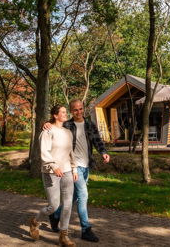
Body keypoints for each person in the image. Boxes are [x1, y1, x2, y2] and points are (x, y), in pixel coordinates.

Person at [44, 99, 110, 243]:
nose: (78, 112)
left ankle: (56, 216)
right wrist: (46, 123)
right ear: (71, 111)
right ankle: (86, 229)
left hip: (86, 166)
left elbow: (97, 140)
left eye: (80, 109)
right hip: (73, 166)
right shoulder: (67, 125)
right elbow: (54, 126)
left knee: (74, 198)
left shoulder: (89, 124)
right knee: (83, 195)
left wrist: (103, 152)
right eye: (75, 110)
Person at [30, 105, 78, 247]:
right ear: (55, 115)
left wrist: (74, 168)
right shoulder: (47, 130)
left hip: (67, 171)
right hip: (51, 172)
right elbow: (44, 151)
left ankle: (64, 236)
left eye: (65, 112)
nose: (65, 114)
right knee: (54, 205)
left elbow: (71, 152)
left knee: (68, 204)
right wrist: (54, 166)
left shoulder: (68, 132)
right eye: (62, 112)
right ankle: (35, 221)